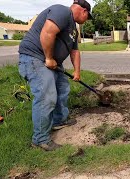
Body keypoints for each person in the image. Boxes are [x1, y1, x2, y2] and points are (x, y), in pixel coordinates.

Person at [18, 0, 93, 151]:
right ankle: (40, 139)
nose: (86, 20)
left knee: (63, 88)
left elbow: (75, 52)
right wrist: (49, 58)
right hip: (35, 58)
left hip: (52, 63)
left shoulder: (73, 29)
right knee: (47, 96)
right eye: (88, 17)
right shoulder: (62, 11)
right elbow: (48, 32)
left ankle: (59, 120)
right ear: (84, 11)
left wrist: (77, 71)